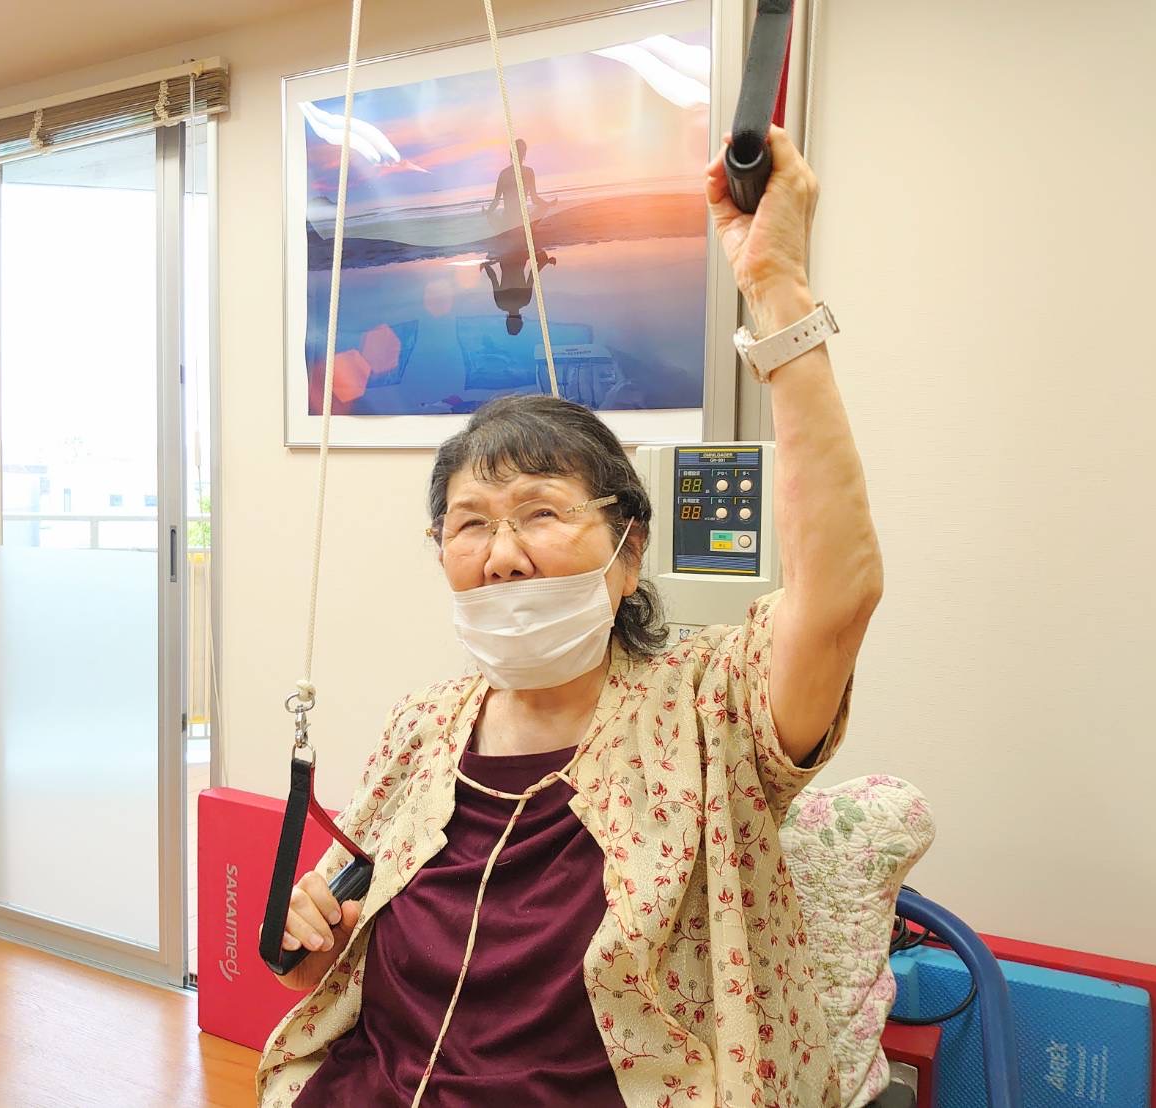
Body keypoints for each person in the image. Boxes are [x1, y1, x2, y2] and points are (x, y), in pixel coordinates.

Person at [257, 126, 882, 1107]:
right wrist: (309, 934)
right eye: (469, 524)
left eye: (541, 513)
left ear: (628, 553)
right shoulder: (423, 729)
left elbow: (838, 599)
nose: (501, 553)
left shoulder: (708, 710)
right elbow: (316, 966)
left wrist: (777, 291)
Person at [484, 138, 554, 231]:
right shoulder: (528, 172)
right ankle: (525, 229)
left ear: (511, 154)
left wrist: (488, 212)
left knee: (491, 215)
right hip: (521, 221)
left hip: (508, 222)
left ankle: (510, 229)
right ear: (524, 154)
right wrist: (548, 204)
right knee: (543, 207)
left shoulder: (504, 173)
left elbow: (496, 200)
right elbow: (535, 199)